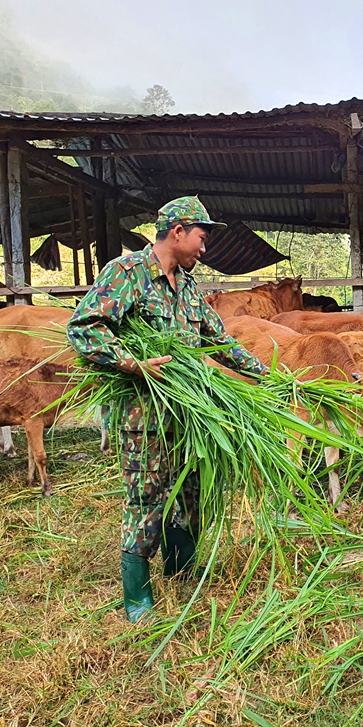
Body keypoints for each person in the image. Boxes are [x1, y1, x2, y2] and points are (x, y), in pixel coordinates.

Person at [67, 196, 268, 623]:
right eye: (201, 237)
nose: (204, 248)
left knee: (193, 492)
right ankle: (138, 599)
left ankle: (180, 570)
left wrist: (267, 375)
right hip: (145, 417)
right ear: (178, 232)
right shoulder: (127, 273)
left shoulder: (190, 287)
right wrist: (131, 364)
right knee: (147, 498)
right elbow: (84, 327)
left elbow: (222, 343)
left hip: (193, 416)